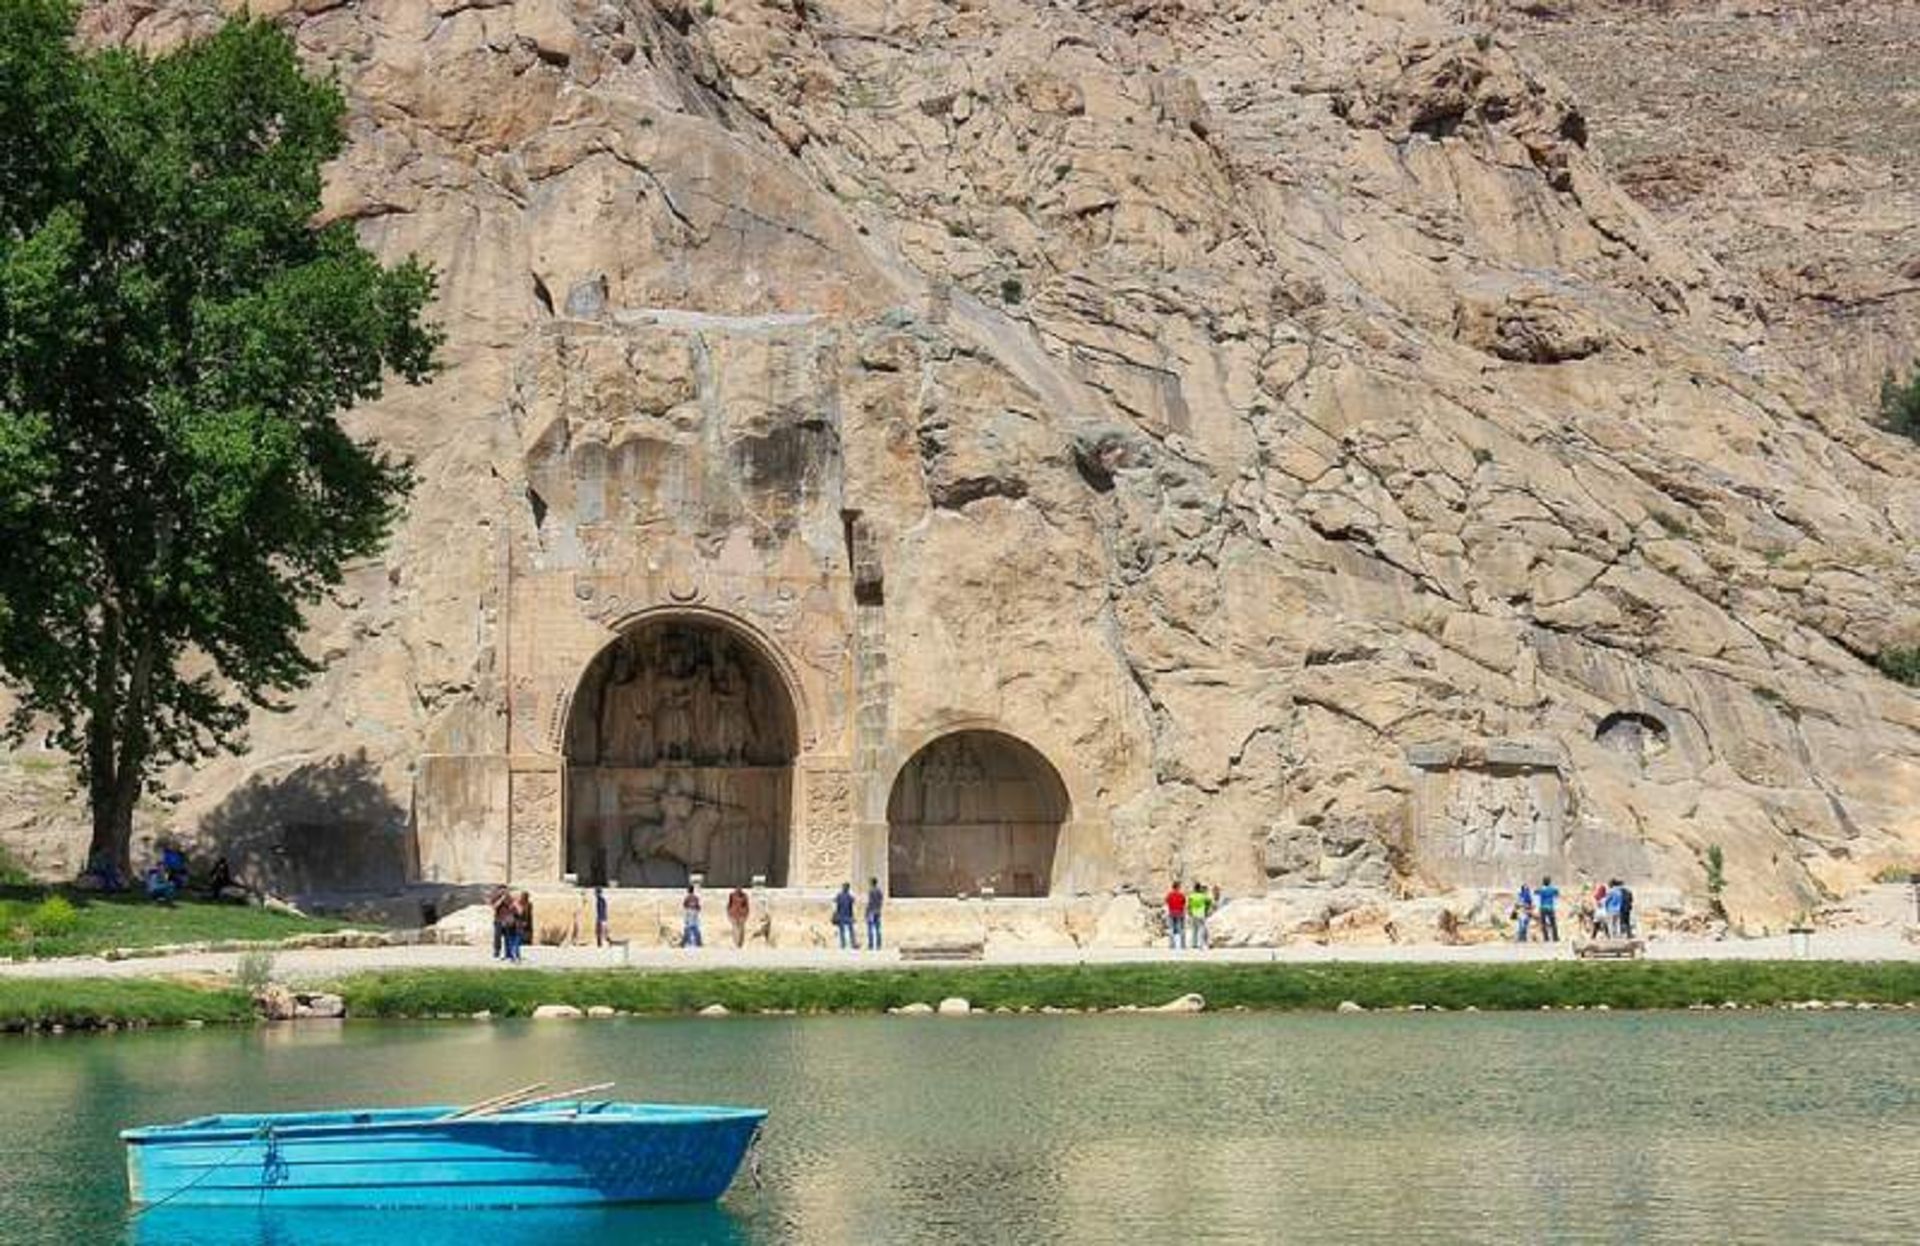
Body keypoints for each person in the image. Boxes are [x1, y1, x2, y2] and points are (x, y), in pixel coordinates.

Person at [490, 885, 515, 961]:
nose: (503, 892)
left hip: (507, 921)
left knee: (508, 938)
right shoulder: (495, 897)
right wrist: (501, 899)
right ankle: (497, 952)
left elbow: (512, 907)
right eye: (502, 890)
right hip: (498, 920)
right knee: (497, 937)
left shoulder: (509, 898)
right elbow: (494, 906)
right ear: (499, 890)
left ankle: (508, 953)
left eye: (505, 890)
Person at [508, 890, 533, 962]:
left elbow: (523, 914)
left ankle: (515, 955)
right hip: (514, 924)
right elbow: (517, 912)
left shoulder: (526, 905)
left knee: (516, 940)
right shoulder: (519, 905)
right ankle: (515, 955)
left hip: (517, 925)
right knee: (514, 940)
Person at [1188, 880, 1213, 950]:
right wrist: (1206, 909)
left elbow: (1189, 905)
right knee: (1201, 929)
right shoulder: (1203, 896)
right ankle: (1200, 944)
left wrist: (1189, 911)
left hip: (1193, 914)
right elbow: (1209, 901)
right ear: (1199, 888)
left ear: (1194, 889)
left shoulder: (1192, 896)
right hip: (1201, 914)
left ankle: (1193, 944)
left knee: (1194, 929)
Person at [832, 882, 856, 950]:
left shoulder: (840, 895)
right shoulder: (849, 896)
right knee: (850, 930)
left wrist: (835, 913)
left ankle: (844, 944)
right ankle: (852, 943)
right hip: (847, 915)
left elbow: (834, 902)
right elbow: (853, 903)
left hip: (842, 915)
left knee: (843, 931)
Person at [1536, 875, 1560, 943]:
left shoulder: (1541, 889)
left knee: (1543, 924)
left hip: (1543, 908)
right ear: (1549, 882)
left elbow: (1536, 892)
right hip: (1550, 908)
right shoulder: (1552, 889)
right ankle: (1555, 937)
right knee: (1553, 923)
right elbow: (1557, 893)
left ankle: (1546, 938)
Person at [1164, 882, 1188, 950]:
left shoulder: (1169, 895)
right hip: (1180, 912)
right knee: (1181, 929)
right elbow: (1184, 903)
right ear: (1178, 887)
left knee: (1171, 929)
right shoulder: (1181, 895)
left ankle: (1172, 945)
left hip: (1171, 912)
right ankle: (1182, 945)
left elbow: (1167, 902)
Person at [865, 877, 884, 951]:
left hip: (872, 911)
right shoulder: (879, 891)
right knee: (878, 929)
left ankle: (871, 945)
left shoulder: (871, 891)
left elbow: (870, 902)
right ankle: (879, 945)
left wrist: (867, 912)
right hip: (878, 911)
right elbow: (881, 901)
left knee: (870, 929)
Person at [681, 884, 703, 948]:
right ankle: (698, 942)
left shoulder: (687, 897)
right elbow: (698, 906)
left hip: (689, 912)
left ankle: (685, 942)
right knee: (695, 927)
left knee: (687, 927)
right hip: (695, 912)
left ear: (688, 890)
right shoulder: (696, 898)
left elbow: (684, 905)